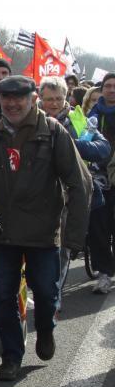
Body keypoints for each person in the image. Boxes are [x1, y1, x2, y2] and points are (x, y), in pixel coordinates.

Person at [0, 76, 88, 381]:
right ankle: (11, 356)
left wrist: (75, 235)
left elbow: (78, 184)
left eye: (20, 98)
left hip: (43, 232)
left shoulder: (54, 133)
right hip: (2, 232)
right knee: (3, 296)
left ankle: (45, 329)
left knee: (45, 292)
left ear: (33, 99)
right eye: (6, 98)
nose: (12, 104)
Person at [40, 76, 111, 298]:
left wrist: (69, 145)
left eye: (58, 99)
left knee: (61, 249)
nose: (53, 103)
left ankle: (54, 297)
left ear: (66, 98)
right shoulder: (31, 119)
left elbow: (102, 148)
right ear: (40, 99)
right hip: (36, 195)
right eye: (49, 99)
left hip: (70, 195)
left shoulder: (77, 119)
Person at [85, 73, 115, 293]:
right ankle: (104, 273)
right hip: (98, 178)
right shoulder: (91, 115)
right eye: (108, 86)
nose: (112, 90)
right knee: (98, 227)